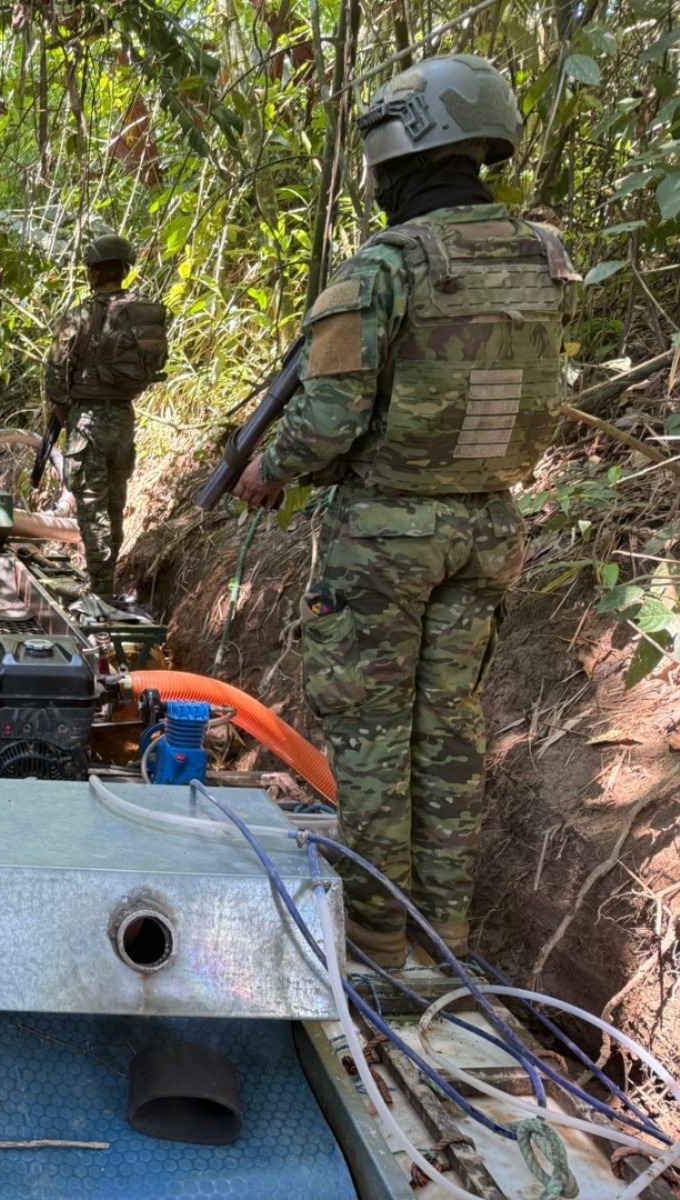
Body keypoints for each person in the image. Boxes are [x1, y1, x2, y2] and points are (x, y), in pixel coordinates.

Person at [232, 55, 580, 967]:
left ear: (401, 152)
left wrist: (269, 469)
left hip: (386, 533)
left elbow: (331, 418)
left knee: (374, 740)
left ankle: (380, 946)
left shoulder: (384, 267)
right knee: (449, 731)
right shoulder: (545, 255)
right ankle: (447, 939)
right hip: (489, 526)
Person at [44, 234, 168, 603]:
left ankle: (99, 593)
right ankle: (105, 585)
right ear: (124, 270)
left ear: (93, 273)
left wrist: (65, 410)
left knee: (92, 508)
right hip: (124, 420)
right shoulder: (141, 314)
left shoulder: (80, 317)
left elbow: (54, 375)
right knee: (115, 506)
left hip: (88, 424)